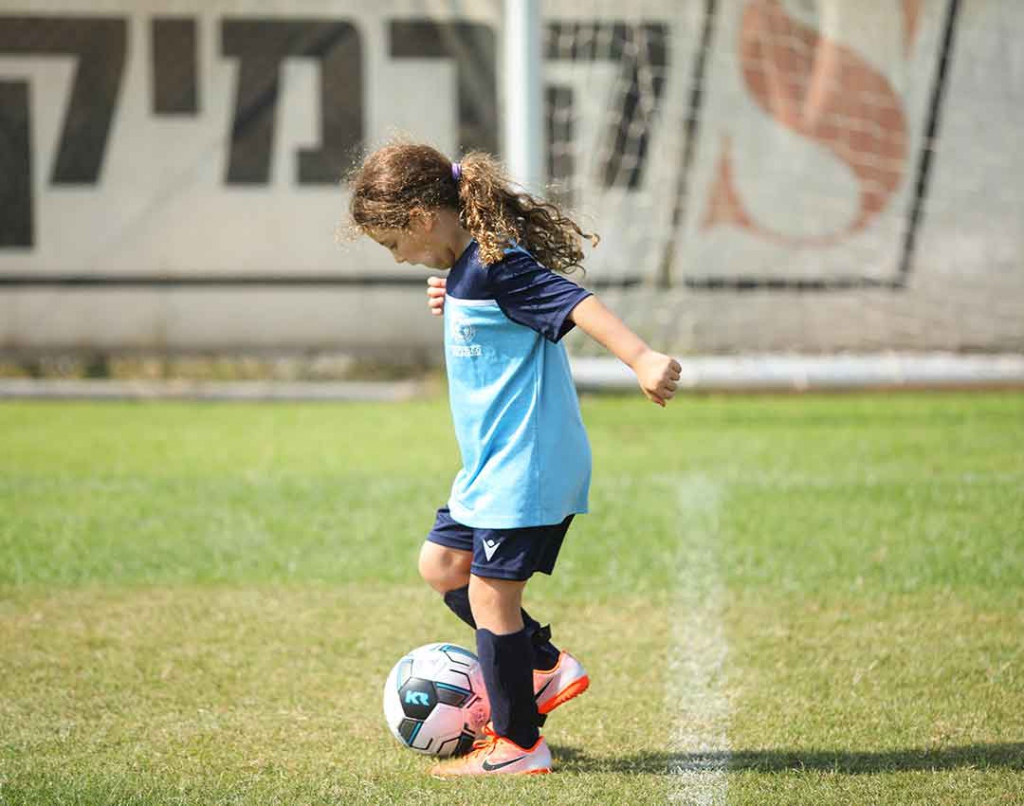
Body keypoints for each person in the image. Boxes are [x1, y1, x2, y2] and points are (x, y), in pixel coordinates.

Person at [347, 142, 680, 777]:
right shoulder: (470, 273)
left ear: (421, 218)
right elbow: (493, 318)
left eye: (394, 243)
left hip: (524, 468)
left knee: (491, 596)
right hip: (488, 467)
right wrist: (455, 299)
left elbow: (574, 301)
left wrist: (641, 358)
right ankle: (544, 665)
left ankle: (519, 744)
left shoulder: (498, 265)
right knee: (443, 565)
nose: (397, 258)